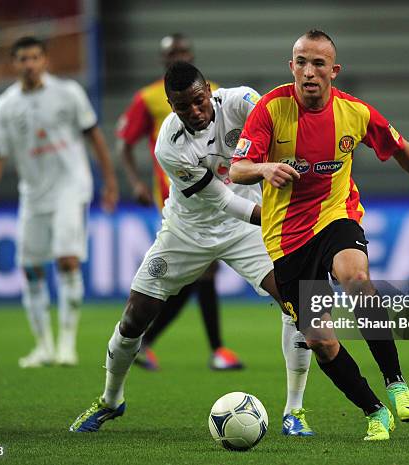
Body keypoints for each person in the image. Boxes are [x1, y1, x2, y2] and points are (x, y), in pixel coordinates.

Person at [230, 30, 409, 440]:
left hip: (337, 216)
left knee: (355, 278)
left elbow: (400, 146)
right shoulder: (269, 109)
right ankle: (374, 411)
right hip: (286, 237)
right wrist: (264, 168)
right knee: (319, 340)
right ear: (291, 66)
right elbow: (236, 168)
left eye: (318, 64)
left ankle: (396, 383)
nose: (308, 72)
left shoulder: (355, 113)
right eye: (301, 62)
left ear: (334, 71)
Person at [69, 62, 314, 436]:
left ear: (209, 92)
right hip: (188, 232)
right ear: (171, 106)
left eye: (200, 102)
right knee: (135, 316)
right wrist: (277, 217)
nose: (195, 112)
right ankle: (110, 399)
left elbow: (284, 130)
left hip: (245, 233)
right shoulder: (168, 145)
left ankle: (294, 411)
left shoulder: (243, 102)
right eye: (184, 107)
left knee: (298, 303)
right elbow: (222, 202)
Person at [0, 36, 119, 368]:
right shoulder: (5, 106)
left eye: (35, 57)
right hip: (33, 194)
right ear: (14, 63)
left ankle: (67, 345)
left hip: (71, 186)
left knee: (67, 260)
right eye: (23, 59)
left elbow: (94, 135)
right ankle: (44, 347)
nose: (30, 64)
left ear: (45, 60)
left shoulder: (68, 94)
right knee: (31, 269)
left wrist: (109, 181)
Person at [116, 33, 240, 371]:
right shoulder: (149, 98)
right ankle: (214, 350)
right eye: (171, 52)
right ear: (162, 58)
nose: (177, 55)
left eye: (182, 51)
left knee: (202, 273)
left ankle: (158, 342)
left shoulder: (213, 90)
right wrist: (136, 181)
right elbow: (125, 143)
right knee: (203, 271)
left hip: (218, 187)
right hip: (177, 194)